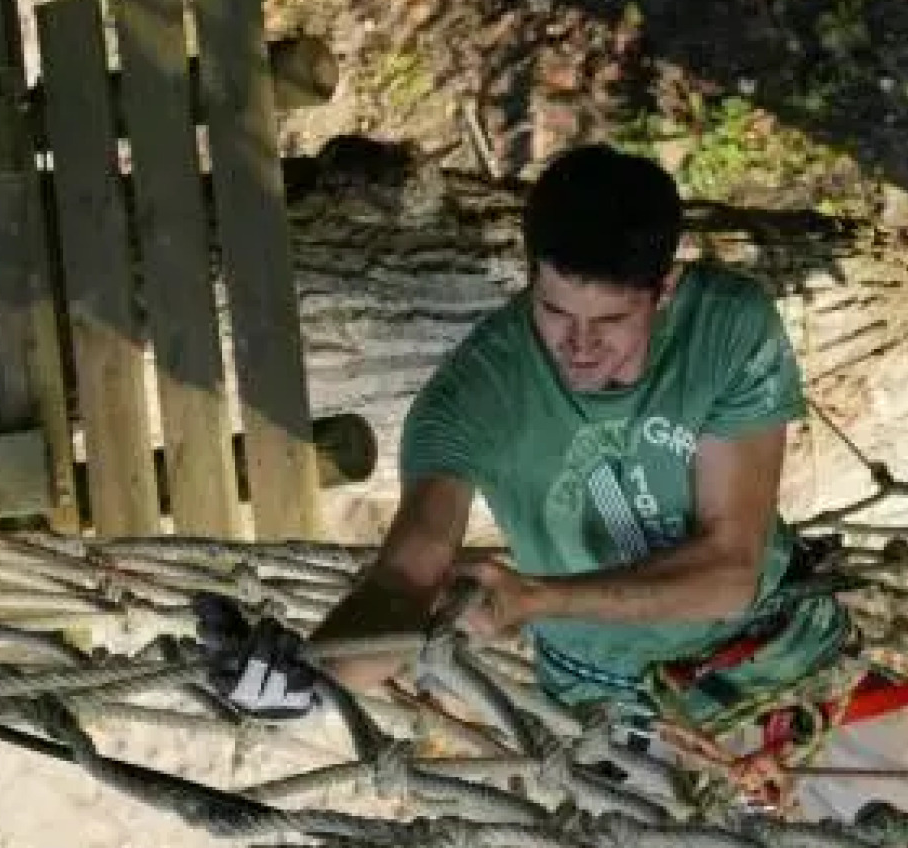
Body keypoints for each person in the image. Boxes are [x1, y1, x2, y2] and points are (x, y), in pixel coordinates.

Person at [298, 142, 864, 756]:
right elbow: (405, 581)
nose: (580, 346)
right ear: (530, 277)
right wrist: (303, 688)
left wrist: (540, 599)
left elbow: (729, 572)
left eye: (611, 321)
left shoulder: (725, 325)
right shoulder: (472, 398)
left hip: (777, 651)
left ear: (664, 289)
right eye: (555, 311)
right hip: (606, 701)